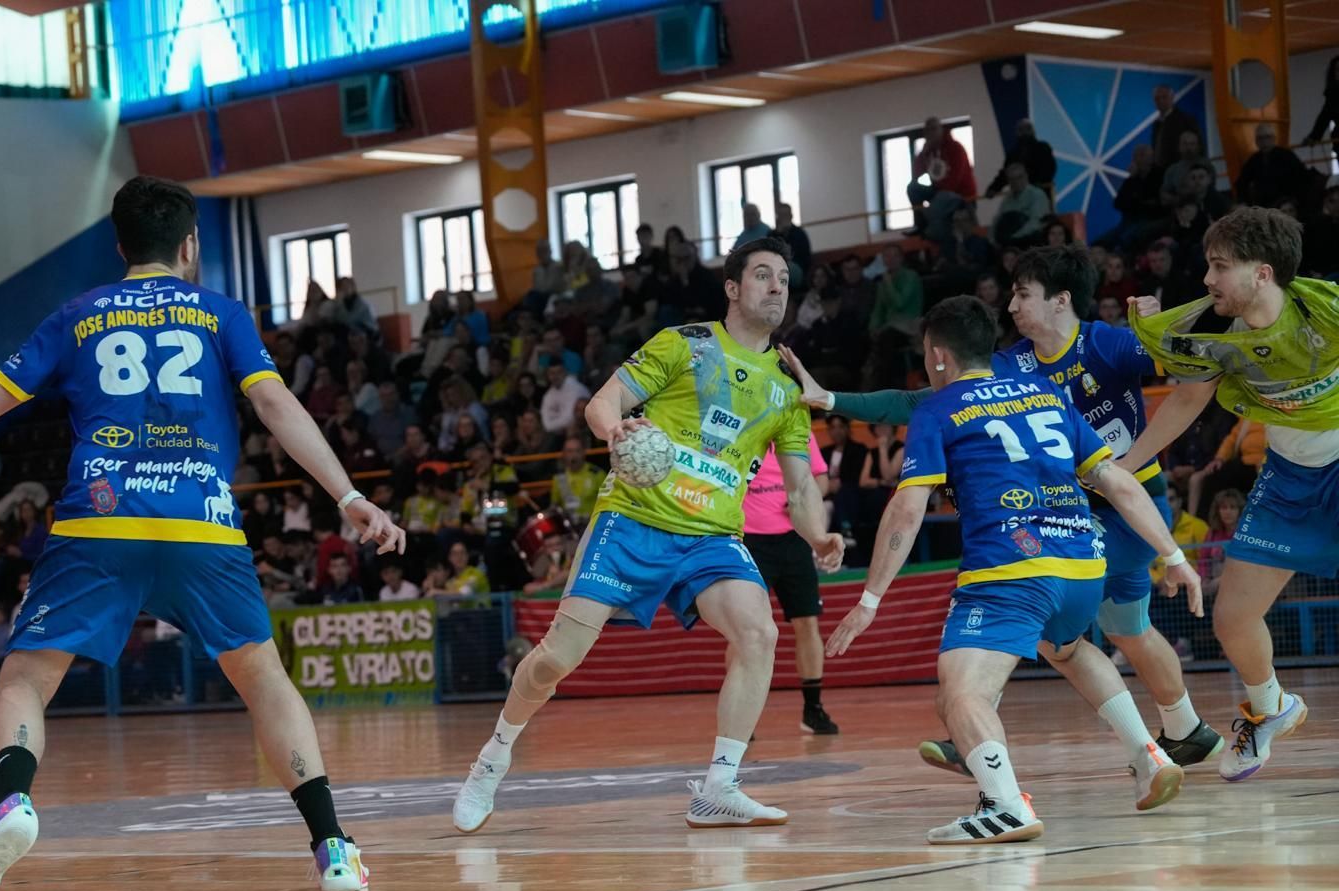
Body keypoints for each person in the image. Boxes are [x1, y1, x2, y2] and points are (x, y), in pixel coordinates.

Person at [0, 176, 405, 891]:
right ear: (189, 246)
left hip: (98, 523)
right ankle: (332, 847)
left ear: (120, 246)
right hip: (200, 523)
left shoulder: (77, 316)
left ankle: (11, 804)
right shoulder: (219, 313)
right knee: (265, 681)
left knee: (25, 677)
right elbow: (274, 403)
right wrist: (349, 495)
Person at [450, 236, 844, 835]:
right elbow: (602, 403)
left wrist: (819, 538)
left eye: (784, 279)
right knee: (559, 656)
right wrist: (616, 432)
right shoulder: (684, 345)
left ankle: (719, 787)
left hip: (711, 535)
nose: (776, 288)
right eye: (763, 276)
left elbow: (800, 487)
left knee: (759, 631)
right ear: (733, 288)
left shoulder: (789, 388)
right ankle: (493, 756)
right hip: (632, 520)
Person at [793, 245, 1226, 779]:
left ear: (1060, 300)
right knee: (1124, 628)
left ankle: (970, 723)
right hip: (1080, 502)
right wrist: (833, 401)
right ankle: (1186, 731)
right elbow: (925, 401)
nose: (1012, 304)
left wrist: (1161, 332)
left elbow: (1198, 371)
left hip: (1119, 504)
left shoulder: (1108, 342)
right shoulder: (1012, 363)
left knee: (1038, 610)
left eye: (1023, 293)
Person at [1122, 207, 1337, 780]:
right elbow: (1188, 402)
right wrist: (1120, 468)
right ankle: (1270, 711)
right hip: (1290, 476)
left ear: (1262, 273)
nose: (1207, 278)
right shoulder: (1219, 338)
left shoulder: (1326, 309)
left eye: (1220, 266)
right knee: (1233, 618)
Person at [739, 434, 836, 735]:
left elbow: (820, 481)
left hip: (795, 538)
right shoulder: (743, 425)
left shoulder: (800, 430)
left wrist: (799, 501)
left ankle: (813, 709)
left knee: (807, 622)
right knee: (746, 629)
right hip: (748, 539)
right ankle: (742, 714)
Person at [1236, 124, 1308, 208]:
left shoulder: (1287, 156)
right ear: (1256, 141)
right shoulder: (1254, 160)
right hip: (1265, 204)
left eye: (1267, 137)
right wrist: (1243, 201)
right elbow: (1242, 182)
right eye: (1260, 138)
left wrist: (1294, 200)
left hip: (1287, 201)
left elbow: (1301, 177)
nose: (1264, 141)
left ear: (1274, 139)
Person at [986, 118, 1057, 203]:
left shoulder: (1042, 148)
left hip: (1040, 196)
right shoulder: (1014, 154)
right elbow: (1006, 174)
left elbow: (1050, 169)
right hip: (1023, 198)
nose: (1024, 132)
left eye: (1027, 129)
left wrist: (994, 188)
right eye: (1022, 129)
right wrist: (994, 188)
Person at [548, 435, 606, 526]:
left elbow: (607, 504)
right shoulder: (559, 478)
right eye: (570, 451)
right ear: (564, 454)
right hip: (570, 528)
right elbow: (554, 507)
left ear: (583, 452)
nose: (574, 455)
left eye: (577, 451)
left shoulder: (597, 474)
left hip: (593, 525)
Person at [991, 163, 1051, 244]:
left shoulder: (1037, 195)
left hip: (1030, 240)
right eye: (1012, 179)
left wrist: (1015, 238)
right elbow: (997, 220)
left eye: (1019, 177)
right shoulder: (1007, 200)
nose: (1016, 182)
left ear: (1026, 176)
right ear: (1008, 181)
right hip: (1008, 242)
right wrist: (992, 240)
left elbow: (1036, 223)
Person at [1150, 84, 1202, 171]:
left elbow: (1199, 147)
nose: (1160, 101)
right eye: (1157, 98)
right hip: (1159, 173)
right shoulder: (1156, 123)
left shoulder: (1185, 119)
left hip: (1180, 171)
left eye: (1164, 97)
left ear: (1172, 98)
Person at [1300, 55, 1339, 153]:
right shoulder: (1333, 94)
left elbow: (1324, 117)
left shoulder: (1333, 93)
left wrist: (1314, 137)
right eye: (1338, 70)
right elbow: (1324, 117)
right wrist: (1314, 137)